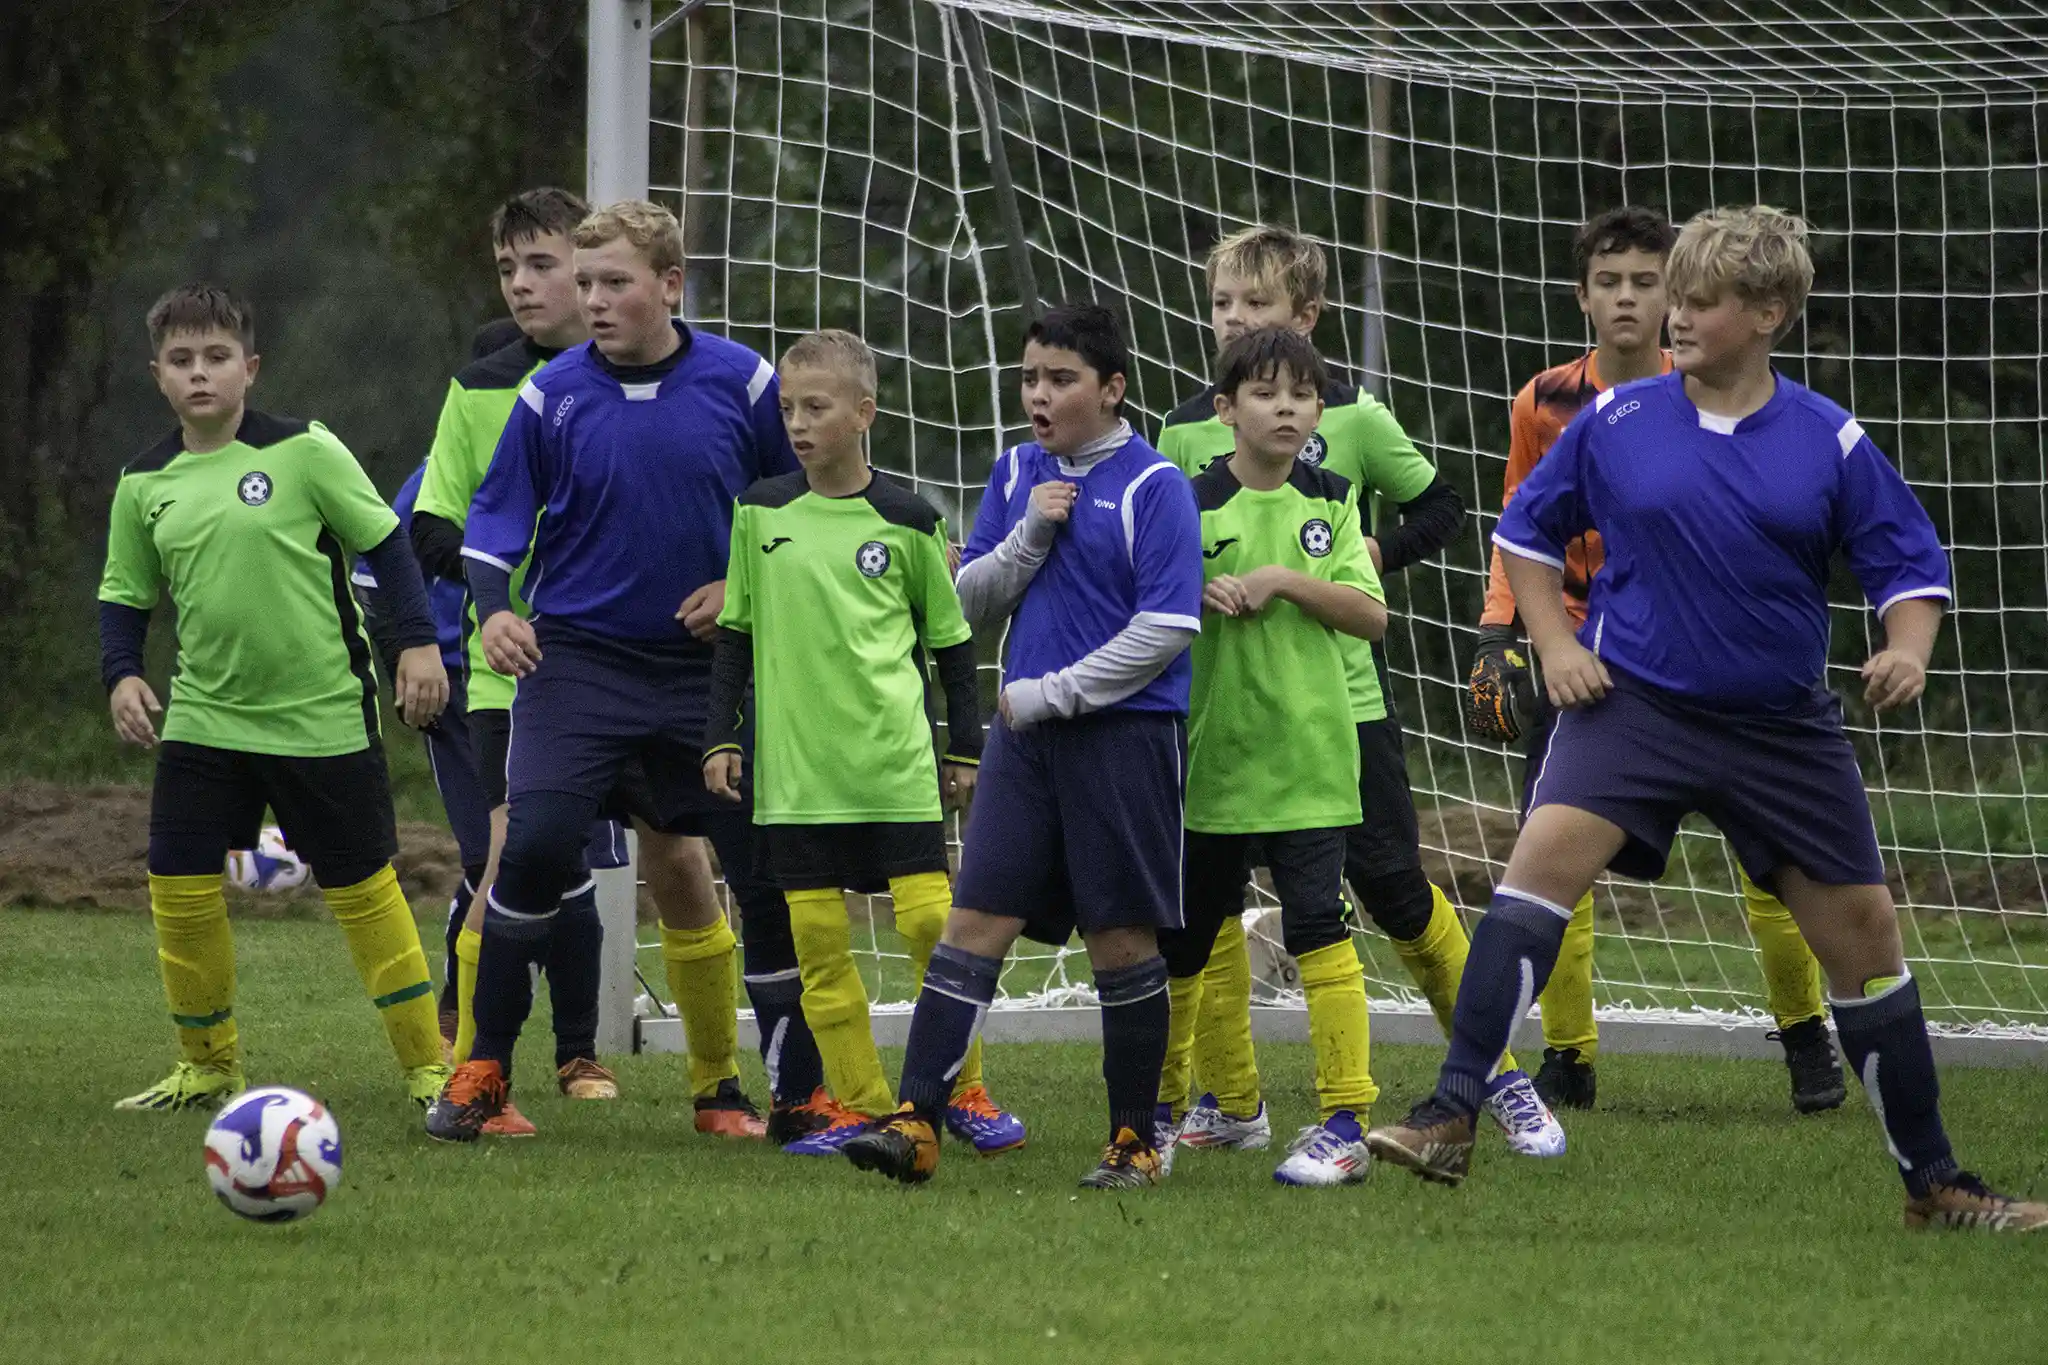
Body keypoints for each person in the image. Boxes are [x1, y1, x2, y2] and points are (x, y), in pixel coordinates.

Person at [1366, 206, 2048, 1233]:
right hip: (1632, 706)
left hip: (1780, 729)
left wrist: (1906, 647)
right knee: (1536, 868)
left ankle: (1936, 1185)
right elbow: (1524, 532)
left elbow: (1906, 567)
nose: (1671, 316)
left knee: (1863, 941)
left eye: (1696, 299)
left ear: (1766, 312)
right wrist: (1553, 646)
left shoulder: (1827, 437)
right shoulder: (1614, 422)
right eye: (1668, 296)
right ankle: (1447, 1117)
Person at [1157, 223, 1562, 1158]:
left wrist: (1358, 561)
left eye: (1254, 304)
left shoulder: (1354, 422)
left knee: (1392, 887)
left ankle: (1493, 1072)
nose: (1233, 318)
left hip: (1344, 705)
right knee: (1204, 903)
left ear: (1306, 315)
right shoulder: (1186, 430)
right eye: (1221, 303)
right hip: (1224, 707)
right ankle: (1231, 1097)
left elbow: (1445, 508)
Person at [424, 200, 822, 1142]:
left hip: (707, 675)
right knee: (532, 843)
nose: (594, 301)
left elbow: (805, 503)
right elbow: (490, 525)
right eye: (587, 283)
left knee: (756, 872)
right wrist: (495, 612)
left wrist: (740, 582)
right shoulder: (550, 395)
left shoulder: (744, 381)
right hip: (580, 666)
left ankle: (756, 1090)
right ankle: (480, 1075)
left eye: (615, 284)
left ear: (671, 285)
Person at [1467, 205, 1839, 1115]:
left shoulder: (1717, 396)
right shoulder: (1544, 401)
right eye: (1611, 281)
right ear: (1583, 296)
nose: (1630, 298)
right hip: (1580, 660)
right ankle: (1569, 1055)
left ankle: (1807, 1036)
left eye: (1648, 280)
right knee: (1554, 852)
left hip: (1698, 653)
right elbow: (1522, 522)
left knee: (1773, 864)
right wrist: (1501, 635)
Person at [840, 304, 1200, 1189]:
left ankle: (1134, 1139)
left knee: (1120, 938)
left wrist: (1056, 691)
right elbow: (964, 604)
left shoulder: (1155, 487)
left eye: (1061, 379)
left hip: (1121, 738)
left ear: (1111, 389)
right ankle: (916, 1120)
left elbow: (1168, 625)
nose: (1039, 395)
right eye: (1030, 377)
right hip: (1025, 742)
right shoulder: (1013, 470)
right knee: (973, 922)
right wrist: (1029, 535)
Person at [100, 284, 452, 1111]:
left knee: (365, 890)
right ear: (158, 375)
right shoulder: (143, 481)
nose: (200, 374)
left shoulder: (305, 451)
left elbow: (387, 543)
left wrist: (415, 646)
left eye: (216, 357)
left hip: (321, 715)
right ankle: (209, 1064)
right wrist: (122, 672)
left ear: (249, 368)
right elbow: (124, 593)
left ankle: (427, 1067)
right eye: (181, 360)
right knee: (179, 885)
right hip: (205, 718)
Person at [702, 328, 1024, 1157]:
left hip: (894, 769)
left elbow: (952, 645)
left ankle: (963, 1088)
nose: (799, 423)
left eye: (816, 407)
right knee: (817, 943)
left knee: (930, 928)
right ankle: (866, 1106)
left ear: (864, 413)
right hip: (797, 780)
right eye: (788, 408)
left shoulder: (910, 518)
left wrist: (963, 749)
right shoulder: (760, 510)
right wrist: (720, 736)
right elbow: (734, 636)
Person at [1160, 327, 1388, 1186]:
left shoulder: (1330, 499)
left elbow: (1373, 617)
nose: (1285, 406)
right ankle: (1172, 1110)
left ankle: (1344, 1121)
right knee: (1188, 942)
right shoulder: (1187, 501)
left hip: (1312, 762)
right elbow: (1142, 607)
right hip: (1213, 760)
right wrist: (1193, 592)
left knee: (1319, 931)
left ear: (1318, 409)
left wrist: (1285, 580)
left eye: (1301, 393)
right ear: (1226, 411)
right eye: (1265, 392)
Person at [351, 458, 492, 1052]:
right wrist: (409, 652)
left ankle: (577, 1049)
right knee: (491, 857)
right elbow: (372, 567)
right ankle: (457, 1013)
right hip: (461, 685)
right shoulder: (443, 470)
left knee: (578, 865)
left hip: (569, 677)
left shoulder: (587, 436)